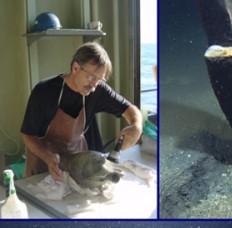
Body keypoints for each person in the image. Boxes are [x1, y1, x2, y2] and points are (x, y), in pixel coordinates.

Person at [21, 42, 143, 180]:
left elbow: (129, 109)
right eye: (91, 77)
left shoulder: (97, 90)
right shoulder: (44, 91)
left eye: (99, 80)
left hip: (75, 165)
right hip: (42, 164)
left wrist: (136, 126)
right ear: (75, 67)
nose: (94, 85)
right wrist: (48, 158)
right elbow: (28, 136)